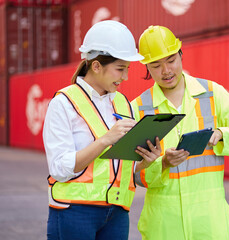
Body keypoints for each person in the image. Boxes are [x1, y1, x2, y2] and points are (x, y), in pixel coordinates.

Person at [131, 25, 229, 240]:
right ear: (147, 68)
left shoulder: (212, 94)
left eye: (171, 61)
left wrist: (221, 134)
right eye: (156, 65)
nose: (166, 71)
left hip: (209, 222)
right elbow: (134, 175)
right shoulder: (138, 109)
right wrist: (162, 164)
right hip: (163, 225)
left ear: (181, 55)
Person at [43, 20, 162, 240]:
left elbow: (124, 169)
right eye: (120, 69)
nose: (125, 77)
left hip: (116, 213)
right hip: (74, 212)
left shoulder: (123, 103)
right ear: (96, 66)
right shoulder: (63, 103)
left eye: (127, 69)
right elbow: (59, 168)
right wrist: (105, 140)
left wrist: (147, 160)